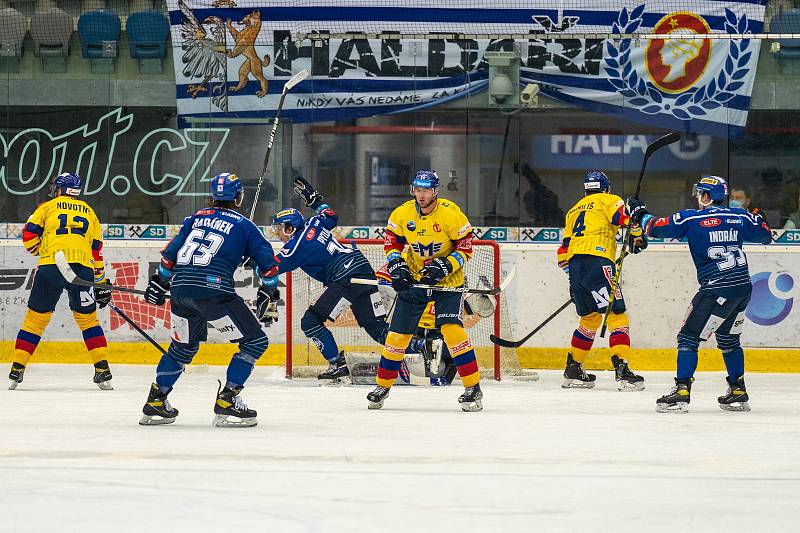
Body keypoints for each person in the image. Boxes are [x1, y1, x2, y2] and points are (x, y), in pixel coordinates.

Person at [139, 172, 280, 427]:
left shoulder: (194, 219)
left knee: (183, 348)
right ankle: (228, 398)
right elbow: (269, 266)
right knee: (256, 342)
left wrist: (160, 282)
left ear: (212, 196)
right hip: (214, 293)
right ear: (238, 198)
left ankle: (156, 400)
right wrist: (268, 290)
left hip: (181, 292)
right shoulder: (245, 225)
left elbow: (170, 256)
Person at [628, 175, 773, 413]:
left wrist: (639, 212)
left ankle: (682, 392)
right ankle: (738, 389)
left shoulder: (692, 218)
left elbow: (655, 228)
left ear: (706, 196)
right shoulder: (741, 216)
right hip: (742, 289)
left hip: (716, 289)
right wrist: (760, 221)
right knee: (728, 339)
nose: (697, 197)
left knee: (688, 338)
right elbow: (766, 236)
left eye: (699, 193)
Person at [270, 177, 425, 381]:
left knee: (310, 321)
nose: (277, 233)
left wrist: (249, 252)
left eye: (279, 229)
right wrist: (315, 201)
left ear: (289, 228)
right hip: (363, 270)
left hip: (346, 278)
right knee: (374, 326)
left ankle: (337, 363)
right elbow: (331, 216)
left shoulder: (295, 246)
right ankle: (419, 346)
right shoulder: (314, 223)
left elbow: (269, 269)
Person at [367, 169, 484, 411]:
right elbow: (392, 242)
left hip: (448, 282)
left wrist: (444, 265)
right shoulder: (402, 213)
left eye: (426, 190)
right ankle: (382, 386)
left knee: (452, 332)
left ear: (435, 191)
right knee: (396, 337)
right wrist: (397, 266)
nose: (421, 195)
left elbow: (466, 247)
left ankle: (473, 387)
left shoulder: (451, 214)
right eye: (417, 190)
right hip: (416, 278)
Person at [10, 172, 113, 390]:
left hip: (51, 266)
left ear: (60, 189)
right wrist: (101, 281)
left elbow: (29, 236)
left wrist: (41, 251)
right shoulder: (89, 211)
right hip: (83, 269)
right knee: (88, 320)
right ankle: (102, 370)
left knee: (35, 320)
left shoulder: (46, 207)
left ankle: (17, 368)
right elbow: (96, 251)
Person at [556, 171, 645, 391]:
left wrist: (577, 277)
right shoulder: (610, 200)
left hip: (575, 267)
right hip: (598, 262)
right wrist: (636, 215)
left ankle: (573, 369)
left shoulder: (573, 210)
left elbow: (562, 252)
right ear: (606, 188)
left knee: (589, 319)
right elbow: (623, 220)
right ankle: (622, 371)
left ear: (586, 189)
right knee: (617, 315)